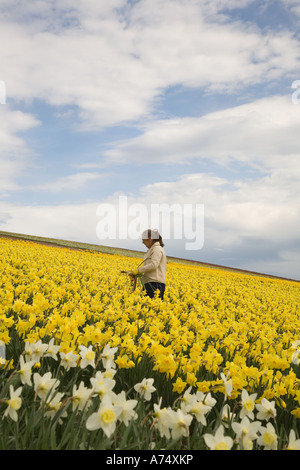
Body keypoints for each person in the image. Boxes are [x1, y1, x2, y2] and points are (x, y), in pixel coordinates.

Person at [130, 229, 167, 300]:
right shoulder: (152, 249)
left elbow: (154, 265)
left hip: (155, 283)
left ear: (150, 239)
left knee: (153, 306)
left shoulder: (157, 249)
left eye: (144, 240)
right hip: (150, 282)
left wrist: (138, 270)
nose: (142, 242)